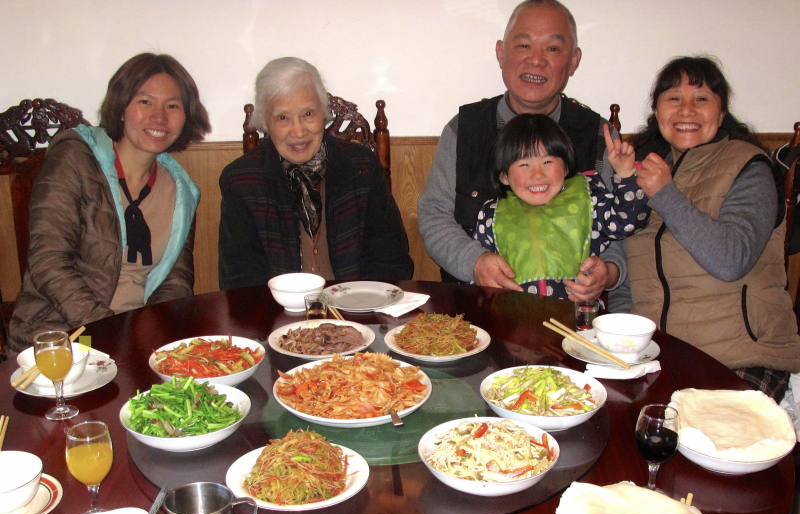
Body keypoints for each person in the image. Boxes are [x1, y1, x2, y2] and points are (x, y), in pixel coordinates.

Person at [611, 56, 800, 401]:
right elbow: (632, 282)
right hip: (660, 359)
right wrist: (621, 339)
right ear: (657, 111)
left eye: (701, 99)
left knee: (699, 441)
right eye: (674, 98)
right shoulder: (642, 176)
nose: (686, 110)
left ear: (722, 113)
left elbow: (730, 260)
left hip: (743, 358)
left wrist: (666, 195)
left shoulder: (748, 166)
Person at [417, 0, 626, 301]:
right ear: (501, 53)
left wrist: (610, 271)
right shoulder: (464, 129)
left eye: (553, 49)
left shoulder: (599, 136)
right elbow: (434, 214)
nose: (537, 60)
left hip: (573, 316)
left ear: (573, 61)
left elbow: (622, 223)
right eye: (524, 45)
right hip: (474, 312)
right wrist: (473, 262)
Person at [9, 53, 211, 354]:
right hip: (63, 337)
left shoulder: (180, 190)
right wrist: (110, 331)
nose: (159, 116)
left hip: (135, 339)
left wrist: (158, 339)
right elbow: (49, 261)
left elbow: (175, 280)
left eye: (173, 106)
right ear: (121, 107)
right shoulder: (74, 160)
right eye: (145, 102)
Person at [218, 57, 412, 289]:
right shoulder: (241, 180)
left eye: (308, 114)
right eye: (283, 118)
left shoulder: (362, 167)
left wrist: (367, 310)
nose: (298, 131)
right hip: (276, 316)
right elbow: (240, 278)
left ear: (323, 111)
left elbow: (391, 259)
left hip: (357, 311)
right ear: (264, 121)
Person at [474, 114, 649, 298]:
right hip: (513, 321)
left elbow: (627, 222)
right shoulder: (492, 214)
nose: (538, 174)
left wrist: (626, 174)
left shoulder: (588, 198)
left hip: (578, 318)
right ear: (504, 176)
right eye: (524, 164)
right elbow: (481, 278)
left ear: (566, 167)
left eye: (547, 162)